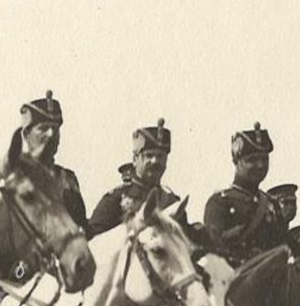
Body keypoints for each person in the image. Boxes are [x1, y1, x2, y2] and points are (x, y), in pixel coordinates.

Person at [203, 123, 288, 263]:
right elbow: (213, 253)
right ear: (236, 161)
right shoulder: (220, 203)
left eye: (264, 159)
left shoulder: (271, 204)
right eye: (252, 160)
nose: (260, 165)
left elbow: (283, 248)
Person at [87, 120, 179, 236]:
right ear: (135, 160)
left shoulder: (171, 201)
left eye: (160, 156)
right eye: (149, 155)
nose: (155, 161)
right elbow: (95, 240)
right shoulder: (117, 198)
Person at [17, 90, 87, 230]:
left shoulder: (68, 179)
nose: (51, 134)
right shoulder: (13, 177)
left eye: (55, 129)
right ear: (26, 135)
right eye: (43, 128)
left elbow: (81, 226)